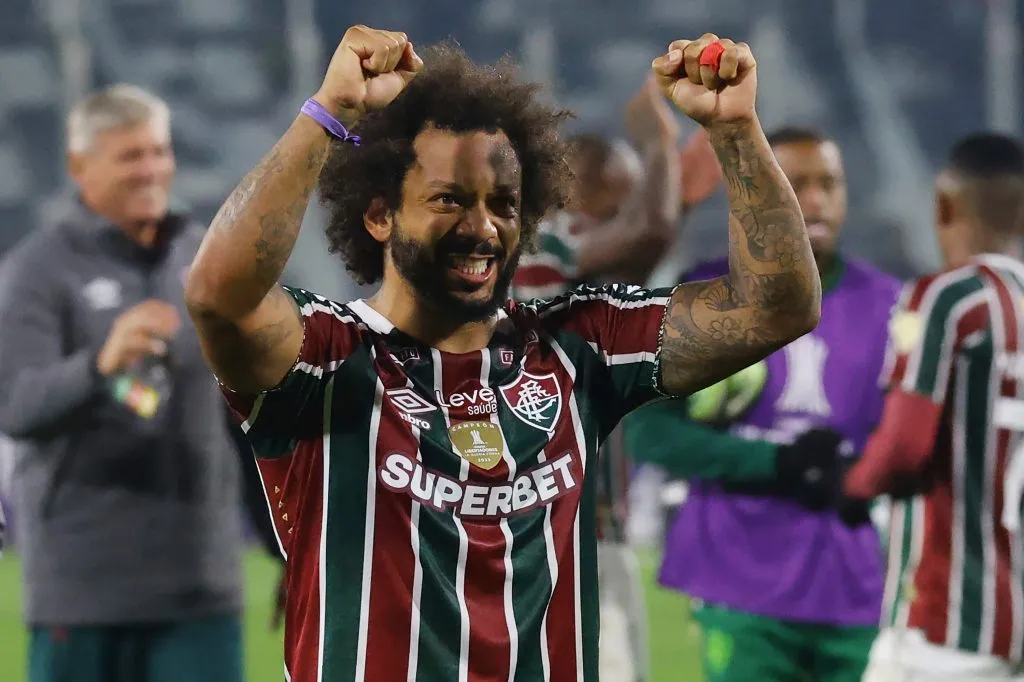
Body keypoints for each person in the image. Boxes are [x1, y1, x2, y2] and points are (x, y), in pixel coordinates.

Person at [184, 26, 822, 681]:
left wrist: (735, 131)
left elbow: (777, 307)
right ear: (379, 216)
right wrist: (329, 113)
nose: (482, 227)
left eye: (504, 204)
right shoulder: (324, 356)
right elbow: (217, 297)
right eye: (449, 199)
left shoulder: (581, 347)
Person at [623, 127, 901, 682]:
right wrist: (777, 463)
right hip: (739, 582)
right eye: (796, 184)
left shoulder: (890, 304)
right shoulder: (705, 296)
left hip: (853, 586)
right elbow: (649, 432)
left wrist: (859, 471)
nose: (816, 200)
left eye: (829, 183)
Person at [0, 84, 248, 682]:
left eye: (159, 151)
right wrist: (99, 365)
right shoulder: (38, 270)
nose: (151, 169)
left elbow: (244, 416)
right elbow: (16, 405)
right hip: (85, 592)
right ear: (79, 167)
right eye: (130, 156)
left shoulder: (204, 261)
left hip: (201, 586)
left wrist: (286, 545)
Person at [508, 77, 722, 682]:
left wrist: (677, 198)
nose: (645, 210)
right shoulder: (539, 249)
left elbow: (635, 251)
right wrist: (657, 144)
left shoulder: (574, 276)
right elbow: (644, 235)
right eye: (626, 200)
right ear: (582, 195)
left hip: (588, 532)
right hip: (549, 537)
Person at [845, 132, 1024, 682]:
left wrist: (849, 486)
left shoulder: (948, 297)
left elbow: (904, 446)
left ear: (944, 206)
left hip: (945, 622)